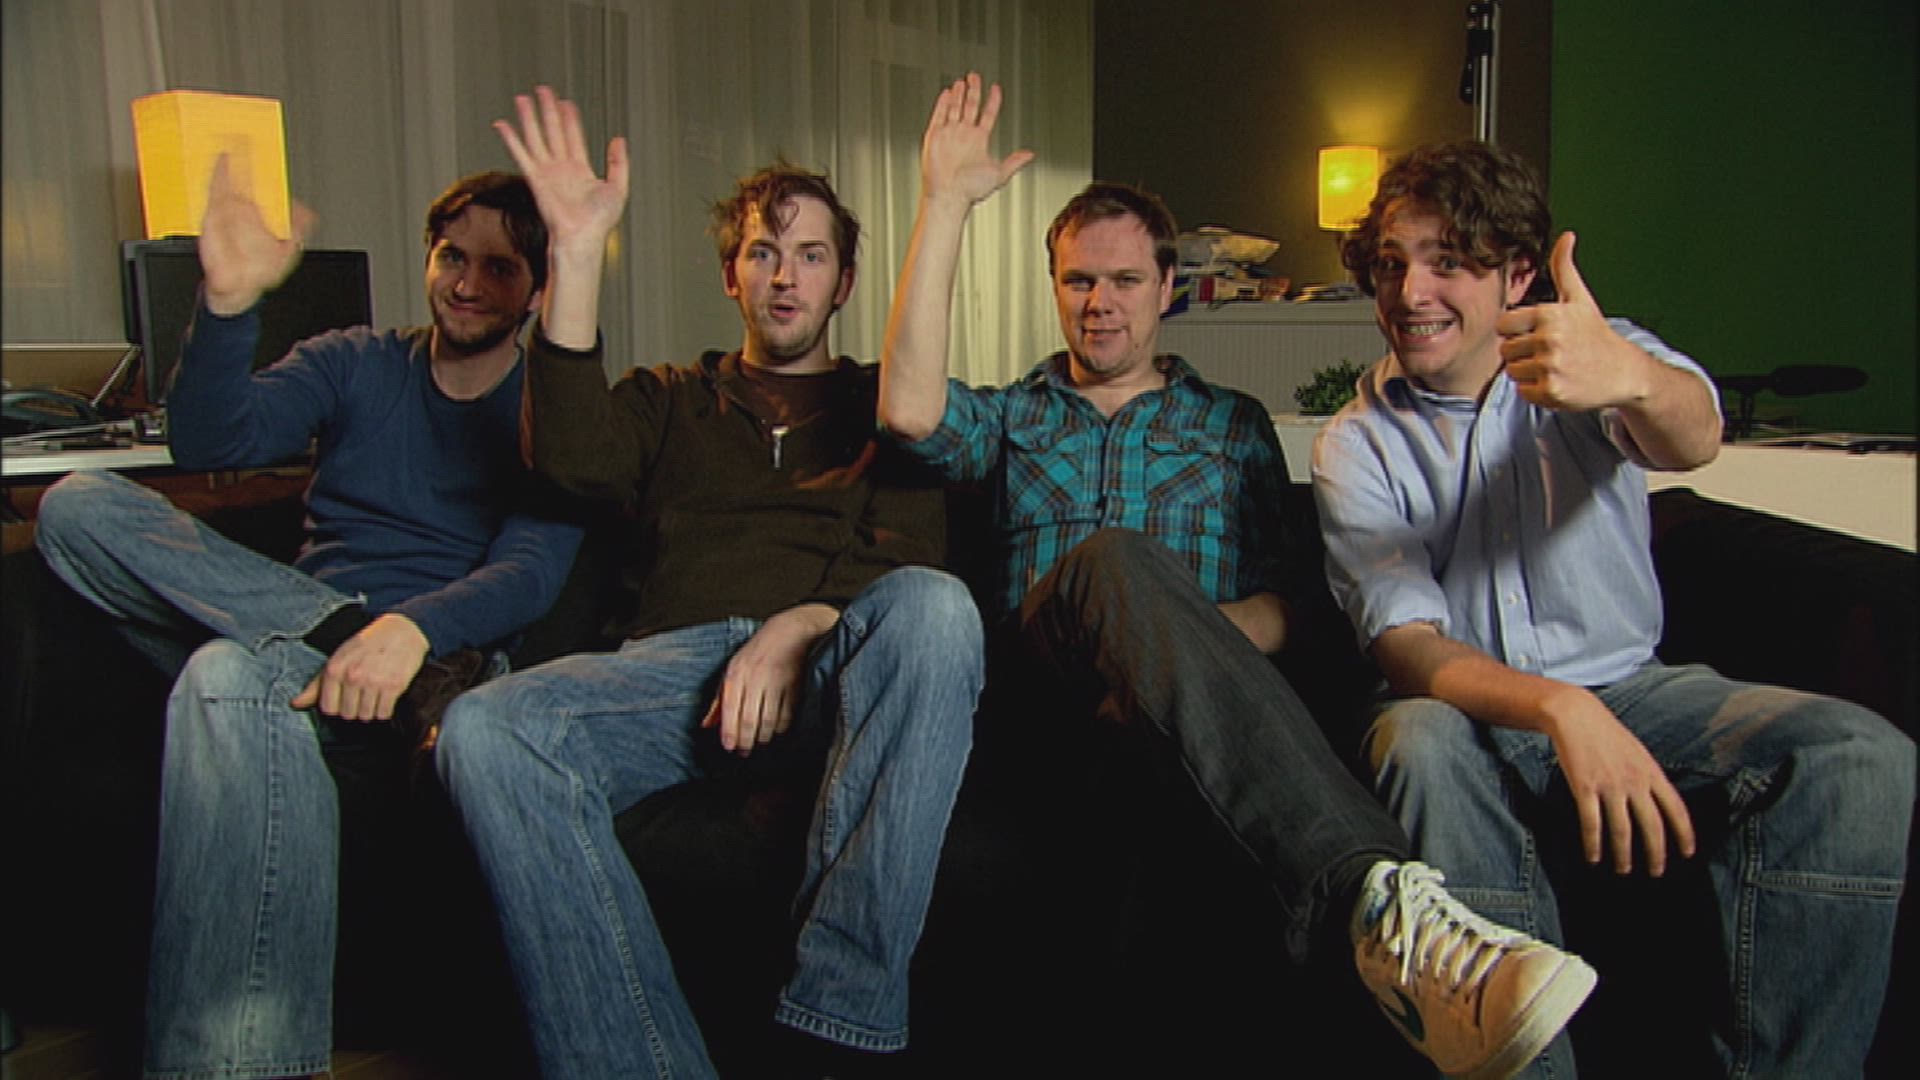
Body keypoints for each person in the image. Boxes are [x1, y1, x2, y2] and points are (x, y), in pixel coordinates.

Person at [875, 73, 1595, 1080]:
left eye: (1125, 281)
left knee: (1146, 684)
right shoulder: (1012, 415)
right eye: (1078, 281)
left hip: (1171, 730)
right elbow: (908, 412)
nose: (1100, 303)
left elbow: (1299, 607)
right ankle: (1383, 904)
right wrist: (944, 203)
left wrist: (1173, 649)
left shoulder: (1230, 427)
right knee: (1113, 561)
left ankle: (1375, 918)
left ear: (1168, 286)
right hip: (1038, 699)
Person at [1311, 139, 1915, 1078]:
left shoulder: (1590, 360)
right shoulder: (1356, 443)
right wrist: (1561, 708)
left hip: (1635, 691)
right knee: (1414, 740)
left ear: (1519, 276)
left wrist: (1630, 378)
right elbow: (1408, 649)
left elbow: (1693, 437)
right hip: (1461, 713)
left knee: (1860, 756)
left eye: (1448, 262)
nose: (1411, 291)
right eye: (1392, 264)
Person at [432, 87, 982, 1080]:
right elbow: (569, 463)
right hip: (672, 674)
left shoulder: (884, 404)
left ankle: (835, 1027)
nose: (785, 276)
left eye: (810, 255)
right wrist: (575, 254)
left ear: (845, 281)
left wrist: (799, 625)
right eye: (763, 253)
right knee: (485, 728)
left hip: (833, 669)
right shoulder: (669, 398)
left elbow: (911, 554)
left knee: (936, 611)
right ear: (732, 274)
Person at [32, 151, 584, 1077]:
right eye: (452, 257)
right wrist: (226, 304)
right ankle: (322, 635)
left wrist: (410, 632)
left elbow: (528, 575)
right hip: (311, 639)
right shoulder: (355, 360)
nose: (467, 284)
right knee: (76, 504)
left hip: (425, 666)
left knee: (224, 670)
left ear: (536, 290)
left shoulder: (552, 412)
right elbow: (211, 440)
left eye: (499, 268)